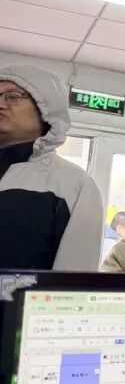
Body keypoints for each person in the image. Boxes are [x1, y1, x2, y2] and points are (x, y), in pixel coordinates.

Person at [0, 64, 103, 271]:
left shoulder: (72, 184)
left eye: (13, 96)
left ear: (46, 108)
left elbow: (73, 276)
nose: (1, 104)